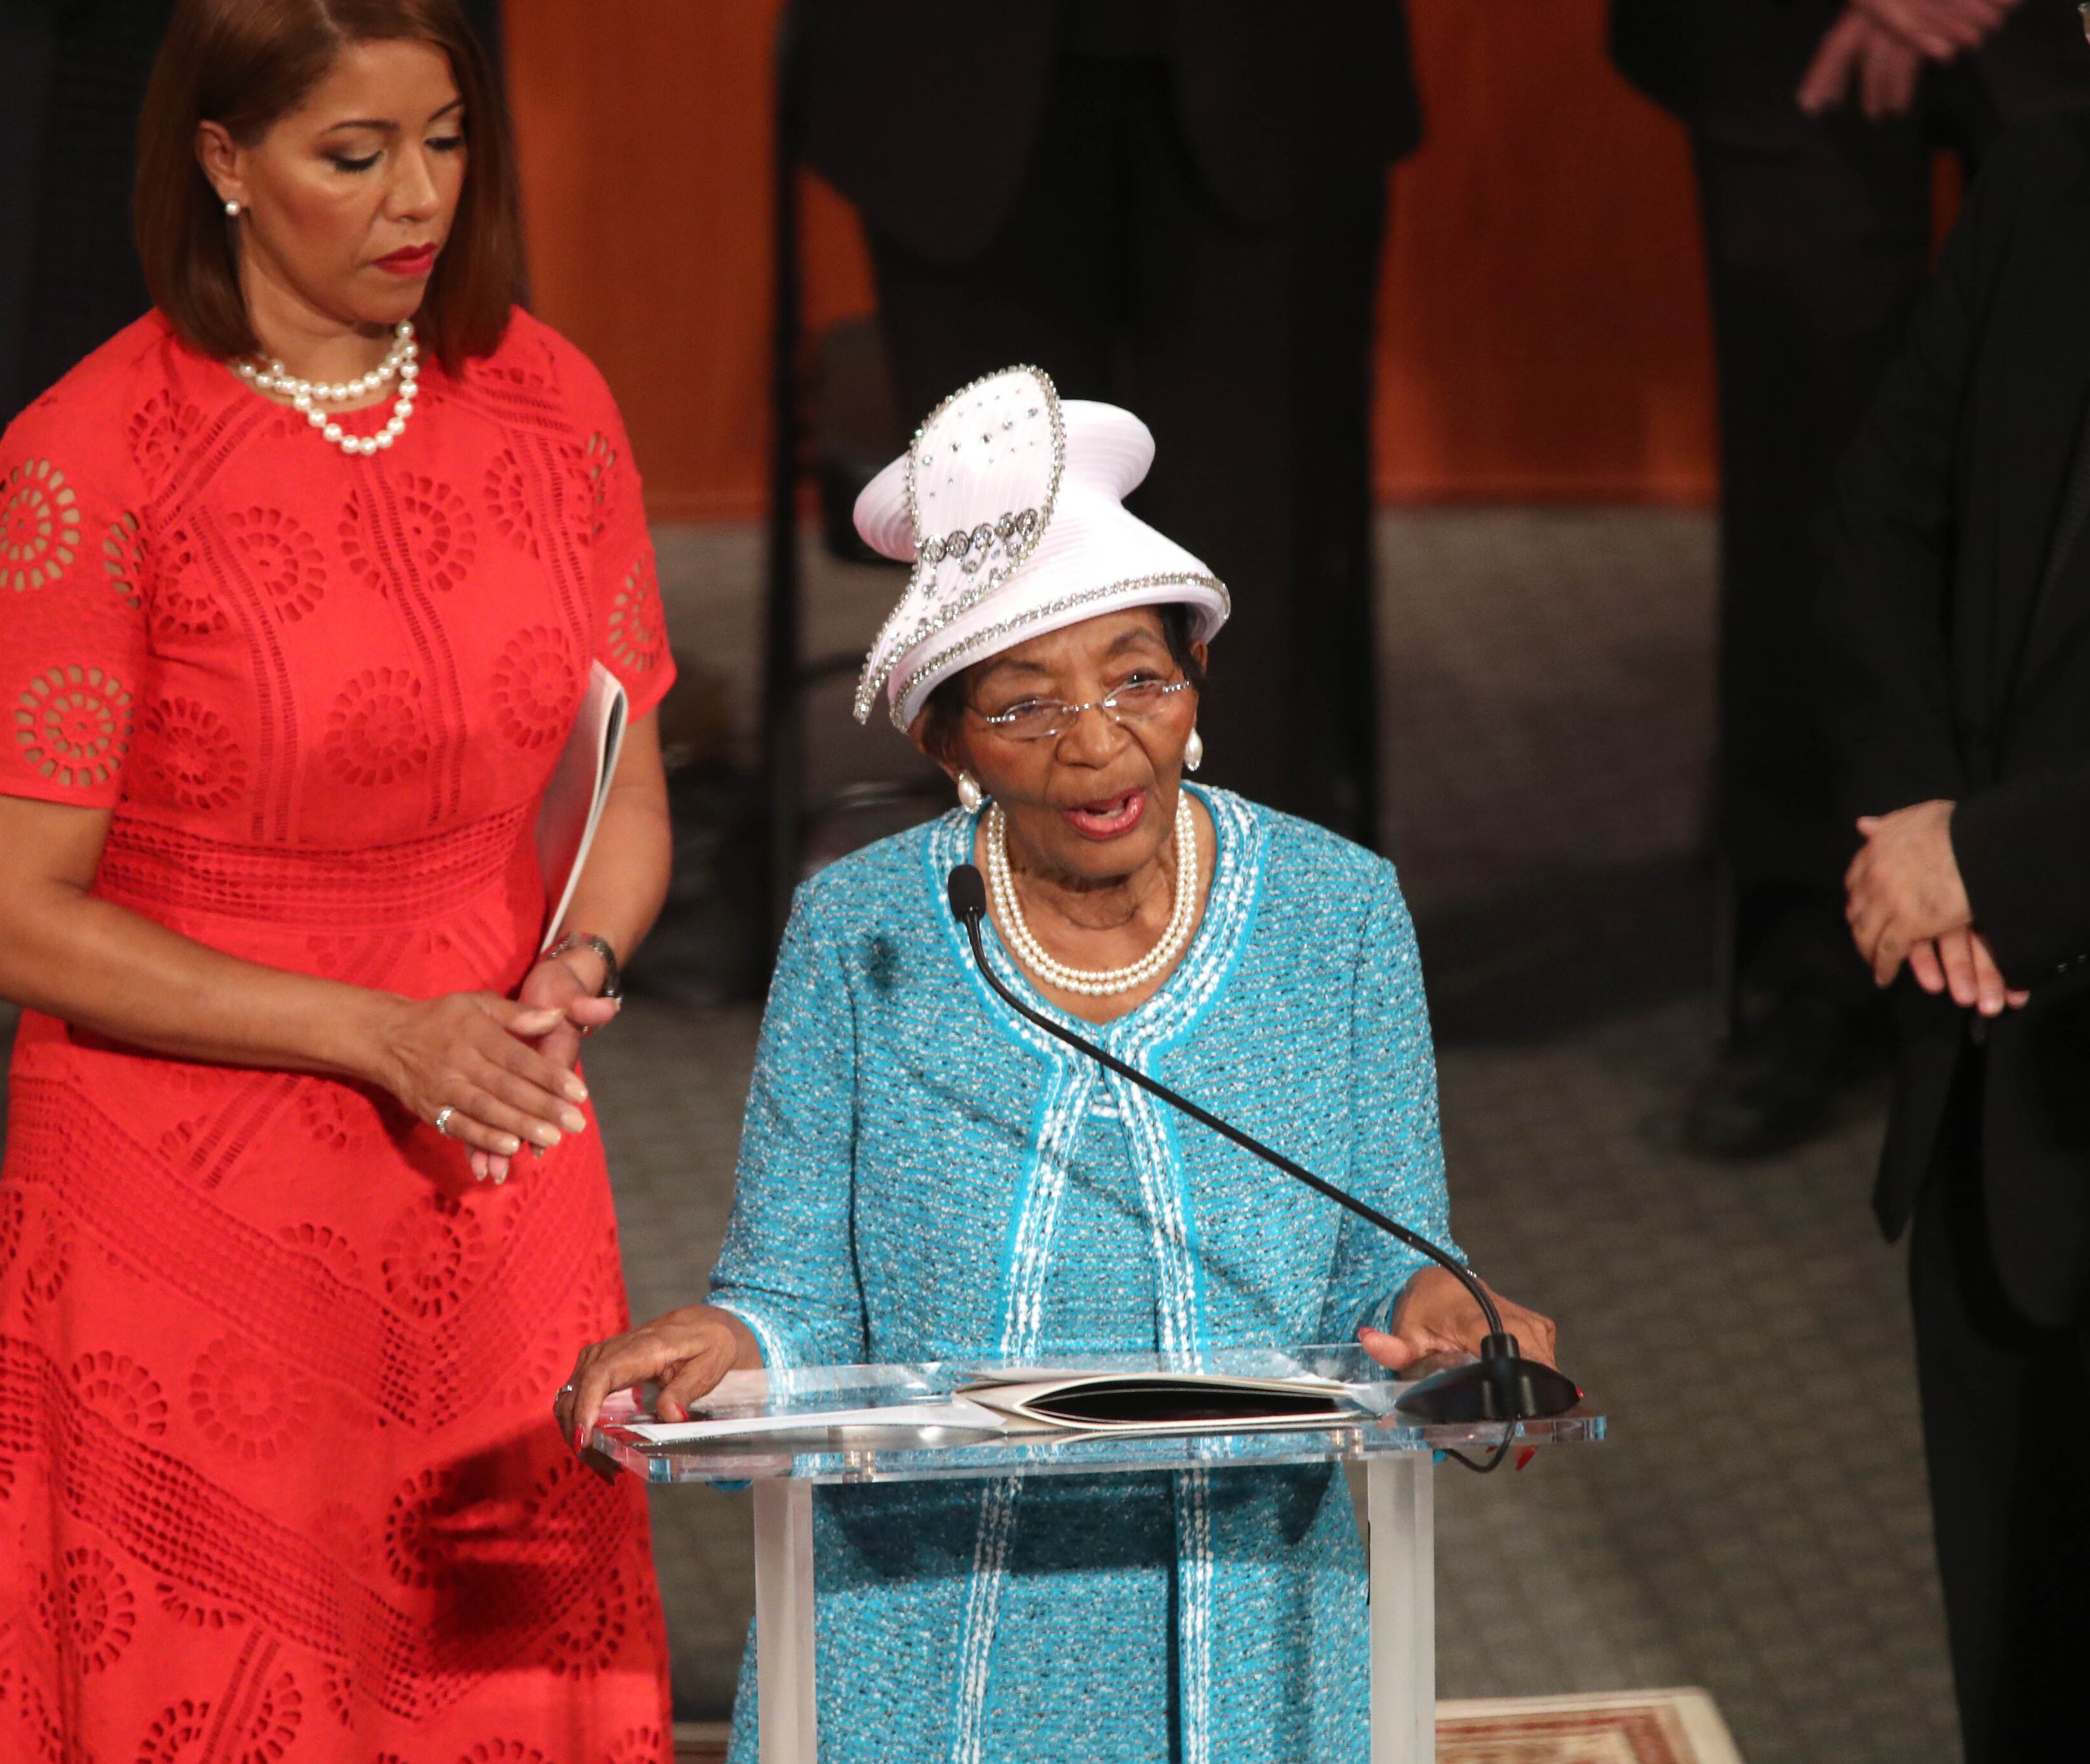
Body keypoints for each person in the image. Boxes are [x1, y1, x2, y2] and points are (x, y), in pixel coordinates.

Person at [556, 368, 1559, 1763]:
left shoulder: (1337, 911)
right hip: (922, 1607)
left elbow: (1385, 1260)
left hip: (1247, 1612)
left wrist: (1443, 1308)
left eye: (1140, 678)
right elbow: (792, 1294)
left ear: (1195, 680)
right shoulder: (862, 930)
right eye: (1026, 707)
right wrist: (730, 1346)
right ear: (944, 738)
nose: (1097, 742)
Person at [0, 2, 678, 1758]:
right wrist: (380, 1034)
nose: (418, 196)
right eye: (355, 154)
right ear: (224, 161)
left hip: (493, 1137)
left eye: (445, 140)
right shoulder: (85, 462)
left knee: (492, 1672)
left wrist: (575, 963)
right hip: (193, 1188)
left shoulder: (551, 398)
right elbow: (9, 916)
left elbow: (626, 784)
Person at [1607, 0, 2090, 1154]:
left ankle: (2037, 886)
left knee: (2057, 490)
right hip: (1786, 30)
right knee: (1816, 492)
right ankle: (1823, 950)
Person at [783, 1, 1419, 848]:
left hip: (1278, 53)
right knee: (999, 588)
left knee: (1261, 594)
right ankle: (1020, 925)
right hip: (943, 61)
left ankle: (1262, 918)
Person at [1818, 105, 2090, 1763]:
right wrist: (1923, 838)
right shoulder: (2050, 175)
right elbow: (1879, 514)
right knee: (2020, 1668)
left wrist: (1998, 862)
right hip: (1991, 1065)